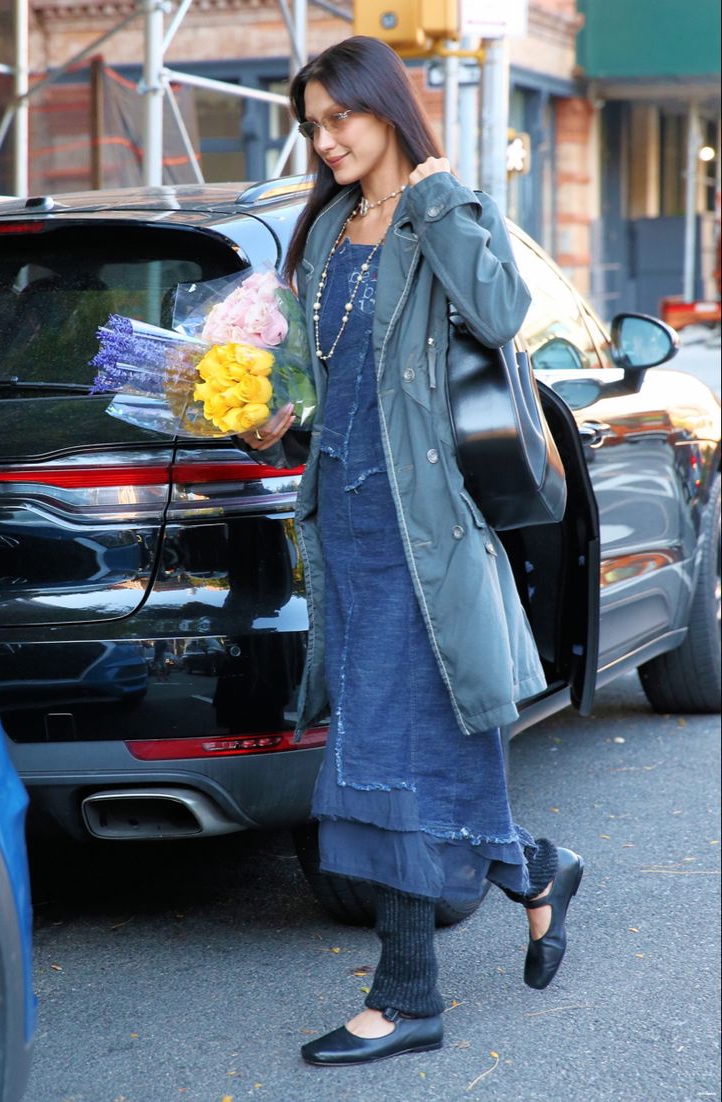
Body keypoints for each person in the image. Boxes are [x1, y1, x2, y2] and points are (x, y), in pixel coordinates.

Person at [238, 35, 584, 1067]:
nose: (324, 138)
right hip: (341, 527)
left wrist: (436, 201)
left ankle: (407, 996)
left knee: (381, 755)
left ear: (385, 107)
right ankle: (530, 868)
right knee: (418, 747)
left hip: (419, 532)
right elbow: (321, 385)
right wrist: (272, 420)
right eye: (309, 124)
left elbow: (503, 311)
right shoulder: (328, 229)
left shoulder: (444, 213)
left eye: (336, 116)